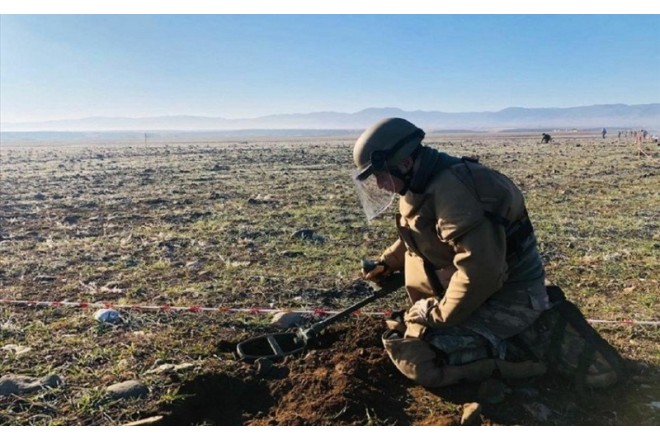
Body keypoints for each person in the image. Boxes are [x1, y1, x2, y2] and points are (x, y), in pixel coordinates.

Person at [352, 118, 623, 388]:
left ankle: (525, 360)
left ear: (406, 164)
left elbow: (480, 273)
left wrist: (435, 316)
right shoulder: (422, 183)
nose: (379, 185)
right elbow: (419, 234)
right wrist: (386, 263)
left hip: (509, 297)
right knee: (408, 333)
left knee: (420, 356)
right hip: (477, 293)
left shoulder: (459, 193)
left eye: (380, 175)